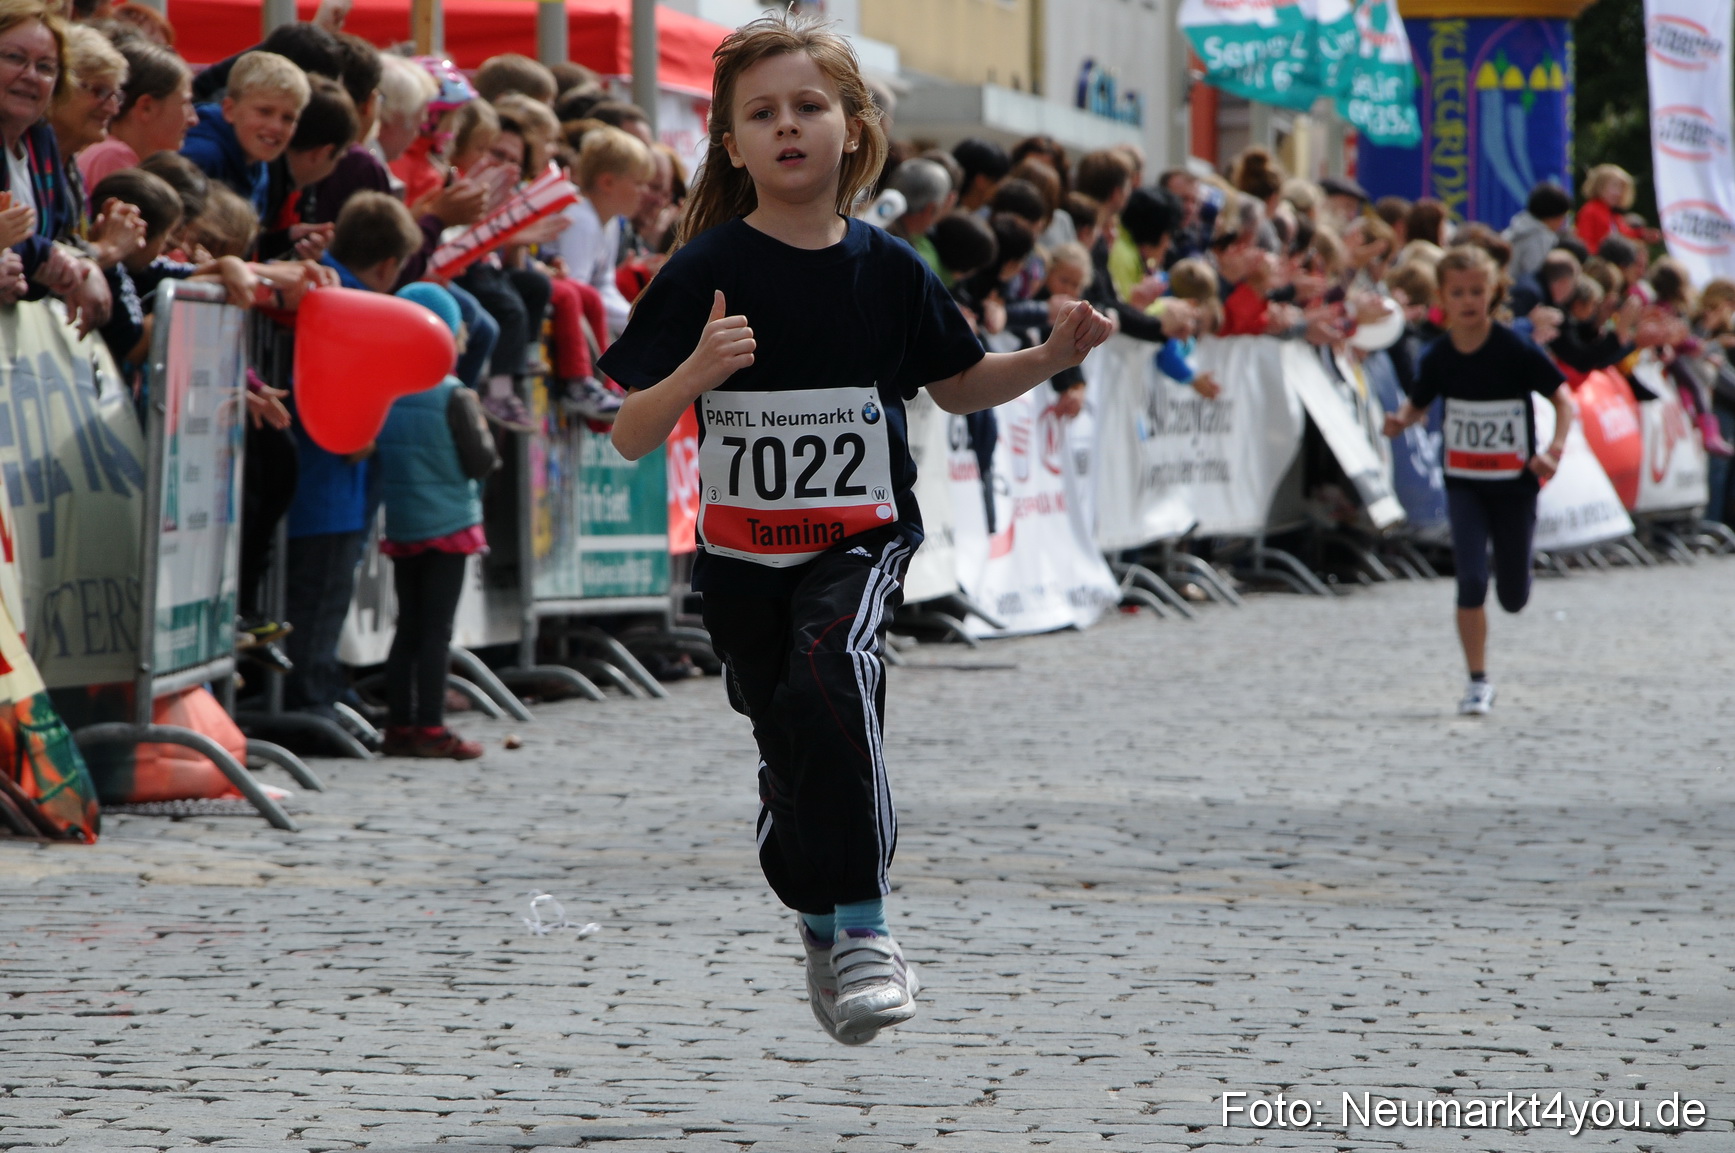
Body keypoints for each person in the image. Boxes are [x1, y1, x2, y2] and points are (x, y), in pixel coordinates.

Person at [598, 12, 1112, 1046]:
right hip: (742, 555)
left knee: (834, 676)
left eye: (808, 106)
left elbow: (960, 386)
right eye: (761, 113)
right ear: (729, 142)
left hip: (858, 535)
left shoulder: (890, 268)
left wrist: (1052, 357)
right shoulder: (702, 270)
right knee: (786, 734)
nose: (787, 127)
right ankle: (820, 922)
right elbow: (627, 433)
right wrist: (695, 373)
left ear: (853, 126)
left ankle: (867, 926)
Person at [1382, 245, 1574, 716]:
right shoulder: (1440, 355)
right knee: (1468, 579)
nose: (1468, 301)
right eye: (1458, 293)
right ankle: (1477, 681)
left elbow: (1563, 398)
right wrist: (1401, 419)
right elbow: (1419, 401)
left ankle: (1517, 573)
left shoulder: (1515, 348)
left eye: (1476, 291)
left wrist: (1553, 450)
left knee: (1512, 596)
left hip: (1514, 485)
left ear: (1492, 293)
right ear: (1442, 298)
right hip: (1464, 481)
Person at [282, 191, 422, 721]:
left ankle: (321, 685)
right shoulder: (348, 300)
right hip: (327, 478)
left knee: (322, 587)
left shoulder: (322, 282)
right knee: (319, 589)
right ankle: (310, 693)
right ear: (388, 264)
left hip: (329, 476)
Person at [375, 282, 499, 760]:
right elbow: (480, 460)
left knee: (407, 627)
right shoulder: (454, 394)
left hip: (405, 524)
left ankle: (397, 725)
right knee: (436, 631)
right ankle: (431, 725)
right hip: (449, 523)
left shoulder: (388, 392)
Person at [180, 49, 310, 221]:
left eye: (288, 118)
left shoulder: (258, 162)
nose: (276, 126)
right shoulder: (201, 157)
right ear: (230, 110)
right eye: (264, 111)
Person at [76, 38, 196, 194]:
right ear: (146, 107)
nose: (193, 119)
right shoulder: (112, 157)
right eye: (185, 103)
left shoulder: (116, 155)